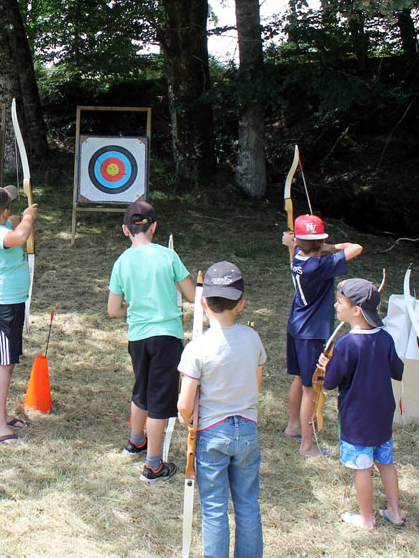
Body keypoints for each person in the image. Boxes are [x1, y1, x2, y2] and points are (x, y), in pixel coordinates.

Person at [177, 261, 267, 558]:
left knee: (215, 510)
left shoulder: (197, 348)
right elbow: (255, 383)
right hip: (247, 429)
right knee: (247, 505)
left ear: (202, 303)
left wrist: (184, 417)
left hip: (211, 434)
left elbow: (185, 403)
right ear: (240, 304)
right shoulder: (253, 338)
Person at [107, 200, 195, 480]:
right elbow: (193, 295)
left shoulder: (121, 262)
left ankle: (136, 440)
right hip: (166, 337)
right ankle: (154, 464)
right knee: (159, 399)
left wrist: (131, 308)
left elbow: (113, 309)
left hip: (138, 339)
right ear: (154, 226)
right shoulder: (167, 256)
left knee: (142, 389)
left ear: (125, 229)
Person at [318, 278, 405, 529]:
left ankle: (366, 519)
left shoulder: (347, 344)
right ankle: (394, 512)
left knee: (363, 467)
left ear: (356, 311)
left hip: (357, 418)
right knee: (385, 462)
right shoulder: (385, 338)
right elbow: (397, 369)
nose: (336, 306)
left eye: (340, 302)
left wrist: (327, 366)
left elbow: (330, 382)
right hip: (381, 414)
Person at [281, 214, 363, 457]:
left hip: (296, 327)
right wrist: (330, 247)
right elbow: (356, 247)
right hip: (312, 332)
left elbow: (290, 241)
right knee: (310, 387)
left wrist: (297, 242)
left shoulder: (297, 255)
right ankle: (307, 445)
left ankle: (293, 425)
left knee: (299, 379)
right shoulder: (321, 265)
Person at [0, 185, 37, 443]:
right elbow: (20, 236)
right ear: (4, 211)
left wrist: (17, 218)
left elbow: (12, 224)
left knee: (4, 360)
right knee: (4, 363)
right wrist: (29, 217)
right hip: (2, 306)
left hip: (10, 304)